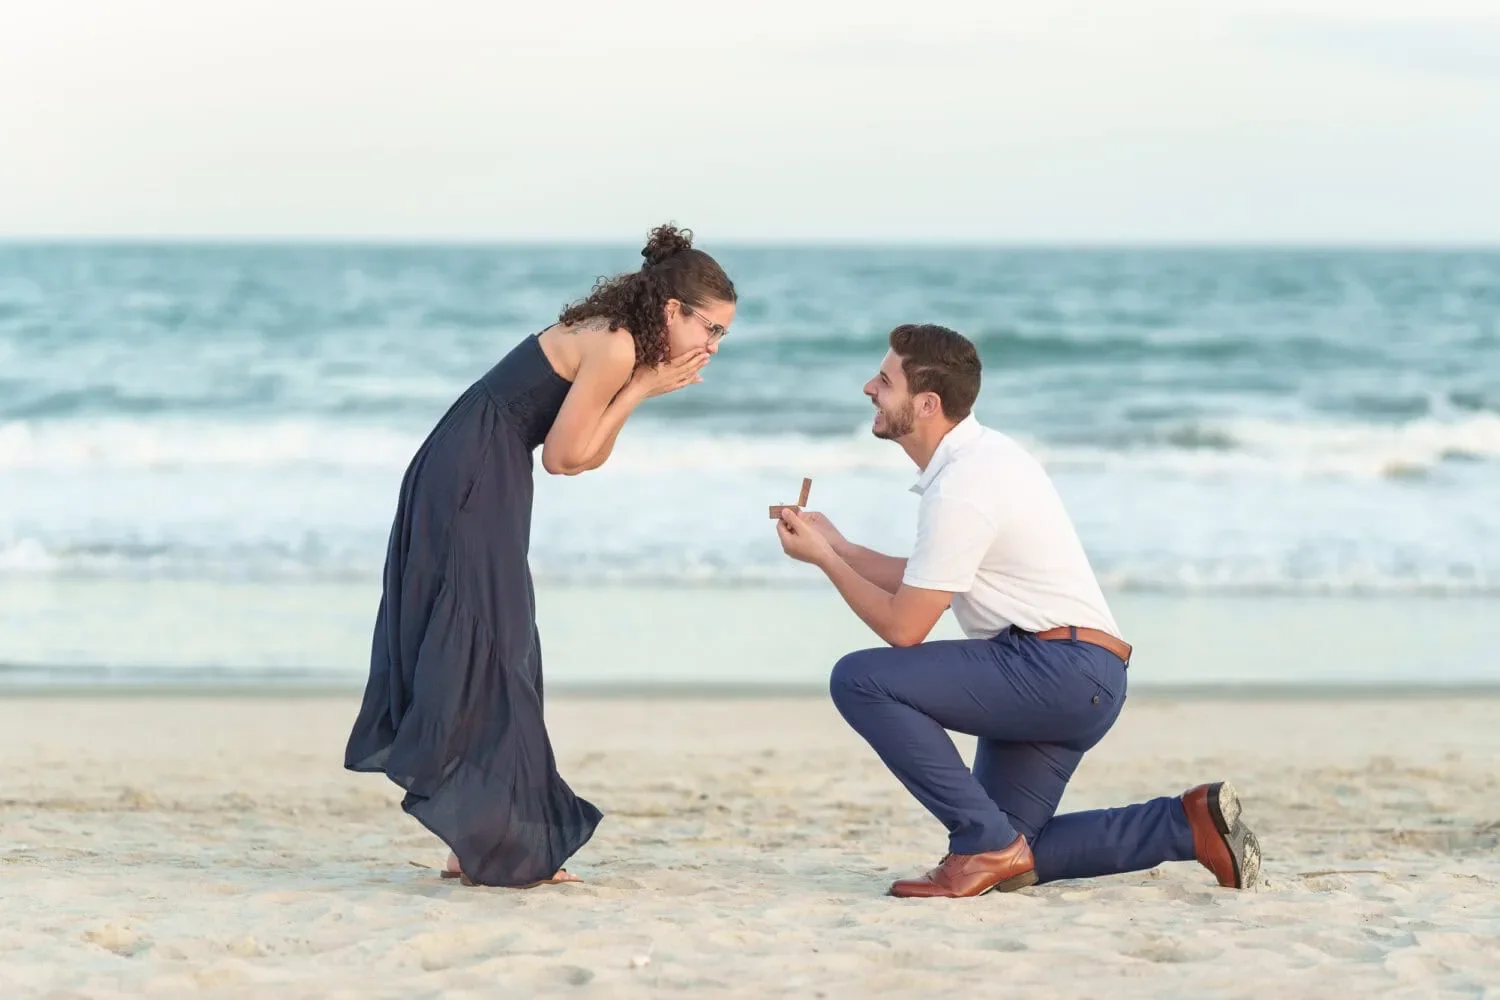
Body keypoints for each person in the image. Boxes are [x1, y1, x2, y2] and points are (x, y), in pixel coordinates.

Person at [773, 323, 1261, 899]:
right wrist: (843, 549)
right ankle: (1186, 824)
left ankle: (980, 840)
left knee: (860, 679)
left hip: (1054, 669)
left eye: (884, 379)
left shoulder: (964, 485)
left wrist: (827, 563)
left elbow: (905, 627)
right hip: (1076, 674)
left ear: (926, 404)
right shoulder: (983, 459)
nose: (868, 388)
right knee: (1016, 860)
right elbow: (930, 578)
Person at [345, 224, 736, 888]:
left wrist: (638, 386)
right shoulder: (616, 347)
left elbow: (573, 452)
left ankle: (477, 841)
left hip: (474, 462)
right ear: (674, 310)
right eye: (712, 329)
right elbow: (566, 459)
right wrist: (640, 389)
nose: (711, 346)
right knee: (494, 646)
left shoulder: (618, 334)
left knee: (503, 645)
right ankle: (492, 846)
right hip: (474, 471)